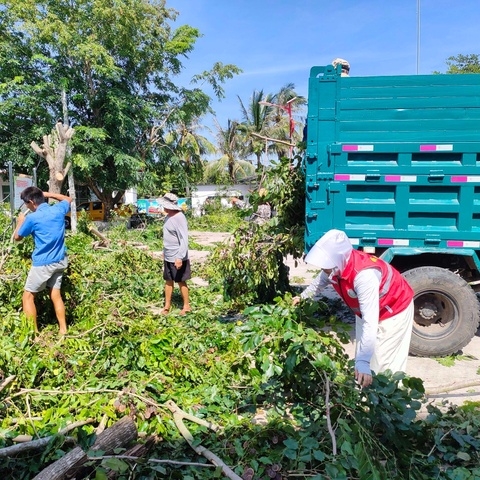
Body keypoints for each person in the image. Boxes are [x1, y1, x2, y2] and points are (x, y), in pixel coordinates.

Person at [293, 229, 414, 388]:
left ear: (338, 259)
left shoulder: (364, 276)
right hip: (366, 311)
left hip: (393, 310)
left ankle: (389, 401)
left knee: (385, 363)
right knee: (364, 359)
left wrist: (363, 362)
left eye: (326, 266)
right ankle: (364, 397)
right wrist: (301, 298)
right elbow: (320, 281)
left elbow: (370, 321)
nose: (324, 269)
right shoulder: (335, 267)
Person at [13, 187, 72, 335]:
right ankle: (63, 330)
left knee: (27, 297)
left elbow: (17, 238)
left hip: (43, 264)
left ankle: (34, 335)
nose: (27, 206)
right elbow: (68, 199)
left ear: (32, 202)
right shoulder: (57, 210)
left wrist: (20, 221)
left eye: (27, 204)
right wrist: (48, 194)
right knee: (56, 295)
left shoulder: (32, 218)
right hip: (60, 261)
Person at [159, 193, 191, 315]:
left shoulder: (179, 217)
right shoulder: (168, 217)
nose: (163, 208)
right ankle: (167, 306)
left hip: (178, 256)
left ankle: (186, 306)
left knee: (180, 280)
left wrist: (180, 257)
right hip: (168, 255)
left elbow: (184, 239)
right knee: (168, 280)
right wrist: (164, 251)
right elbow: (168, 236)